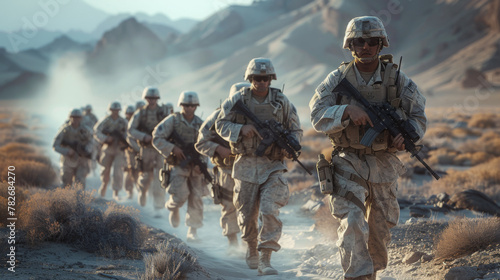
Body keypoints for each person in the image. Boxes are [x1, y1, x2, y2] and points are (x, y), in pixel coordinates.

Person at [309, 16, 427, 280]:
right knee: (351, 221)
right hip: (347, 160)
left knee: (380, 227)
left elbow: (418, 116)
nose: (365, 47)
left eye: (371, 41)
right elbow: (316, 115)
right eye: (359, 41)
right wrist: (345, 111)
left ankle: (371, 273)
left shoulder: (397, 79)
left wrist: (408, 136)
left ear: (381, 44)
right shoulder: (337, 78)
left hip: (384, 162)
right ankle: (357, 276)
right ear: (350, 44)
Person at [215, 58, 302, 275]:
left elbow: (295, 128)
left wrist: (291, 146)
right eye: (256, 78)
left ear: (271, 79)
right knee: (246, 215)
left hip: (272, 165)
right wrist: (240, 129)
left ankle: (265, 258)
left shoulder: (282, 102)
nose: (261, 82)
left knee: (269, 209)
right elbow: (220, 124)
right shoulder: (237, 100)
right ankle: (251, 247)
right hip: (245, 165)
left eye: (265, 78)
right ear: (250, 79)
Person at [194, 83, 249, 249]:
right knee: (229, 206)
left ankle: (249, 243)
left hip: (251, 169)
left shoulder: (256, 115)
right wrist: (218, 148)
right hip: (226, 170)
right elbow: (201, 143)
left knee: (251, 207)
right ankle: (232, 243)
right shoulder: (218, 116)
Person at [152, 91, 207, 242]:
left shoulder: (200, 124)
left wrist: (202, 165)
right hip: (178, 165)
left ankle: (193, 230)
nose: (189, 108)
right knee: (181, 195)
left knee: (196, 198)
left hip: (195, 166)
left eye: (192, 105)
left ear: (196, 106)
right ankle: (173, 206)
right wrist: (172, 148)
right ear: (181, 105)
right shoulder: (172, 121)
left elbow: (205, 145)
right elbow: (156, 137)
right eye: (186, 105)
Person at [128, 87, 173, 215]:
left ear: (157, 99)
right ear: (146, 99)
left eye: (154, 98)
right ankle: (142, 196)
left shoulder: (163, 112)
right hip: (146, 149)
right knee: (145, 176)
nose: (152, 100)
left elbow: (171, 127)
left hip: (160, 149)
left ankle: (158, 207)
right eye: (149, 98)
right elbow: (130, 129)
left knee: (160, 177)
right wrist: (144, 137)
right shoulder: (140, 113)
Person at [94, 101, 128, 199]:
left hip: (119, 149)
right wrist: (105, 138)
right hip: (108, 148)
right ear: (110, 110)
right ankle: (103, 188)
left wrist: (124, 140)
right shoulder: (105, 121)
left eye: (117, 110)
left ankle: (116, 192)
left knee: (118, 171)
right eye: (113, 110)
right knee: (105, 170)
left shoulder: (123, 122)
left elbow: (128, 133)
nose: (115, 112)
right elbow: (96, 131)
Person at [53, 108, 93, 189]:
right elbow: (55, 145)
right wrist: (67, 151)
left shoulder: (86, 130)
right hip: (68, 160)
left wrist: (86, 150)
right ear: (70, 117)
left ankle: (79, 201)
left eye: (78, 117)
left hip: (82, 160)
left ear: (81, 118)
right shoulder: (65, 130)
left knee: (80, 183)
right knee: (66, 184)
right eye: (73, 117)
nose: (75, 119)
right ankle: (66, 201)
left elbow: (92, 143)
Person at [123, 105, 140, 199]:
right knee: (130, 170)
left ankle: (139, 191)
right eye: (128, 114)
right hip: (128, 150)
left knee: (141, 170)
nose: (130, 115)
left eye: (131, 114)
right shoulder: (123, 123)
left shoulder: (138, 122)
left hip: (139, 149)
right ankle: (129, 191)